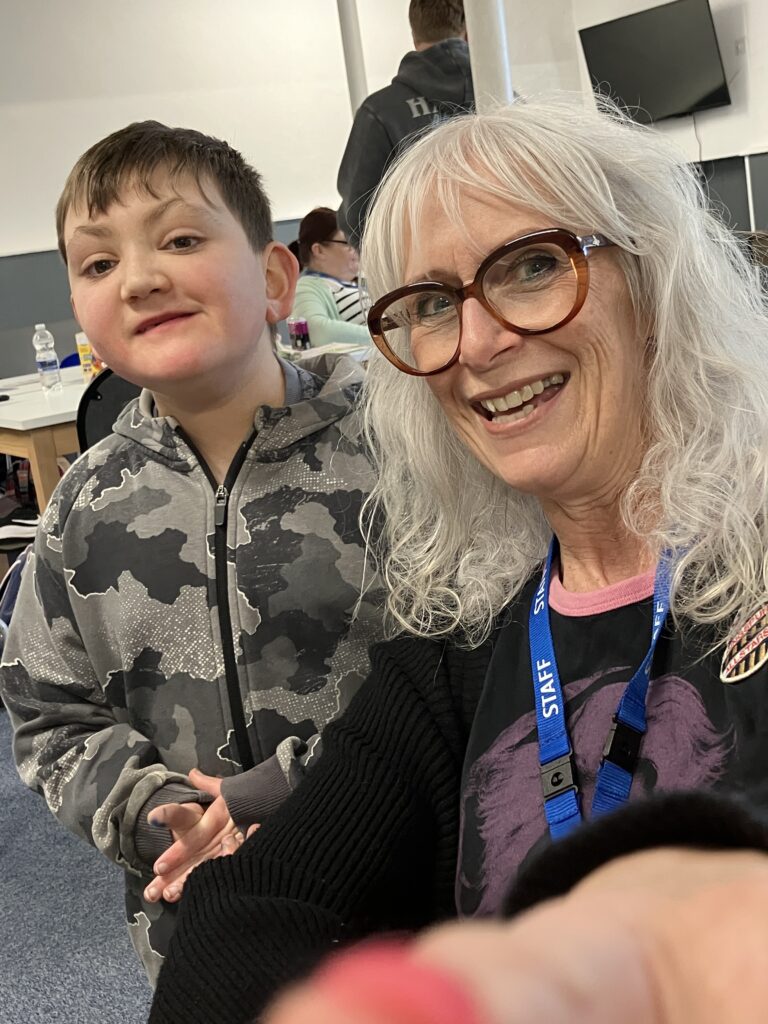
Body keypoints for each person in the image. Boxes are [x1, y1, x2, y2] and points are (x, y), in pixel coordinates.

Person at [148, 95, 768, 1024]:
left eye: (531, 266)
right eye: (434, 304)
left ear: (653, 280)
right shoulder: (457, 655)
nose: (477, 344)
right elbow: (244, 912)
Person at [0, 121, 383, 984]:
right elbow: (49, 716)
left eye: (179, 240)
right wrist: (160, 813)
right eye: (99, 263)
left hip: (389, 902)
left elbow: (462, 669)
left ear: (276, 278)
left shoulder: (392, 452)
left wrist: (282, 793)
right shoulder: (85, 504)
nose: (139, 278)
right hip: (196, 925)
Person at [337, 0, 473, 248]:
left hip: (425, 266)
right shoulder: (508, 101)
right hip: (506, 259)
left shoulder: (380, 112)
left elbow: (357, 218)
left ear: (414, 34)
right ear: (467, 30)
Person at [289, 207, 370, 348]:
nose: (356, 249)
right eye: (348, 243)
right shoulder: (307, 286)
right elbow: (317, 331)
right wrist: (384, 338)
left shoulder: (357, 281)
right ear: (319, 251)